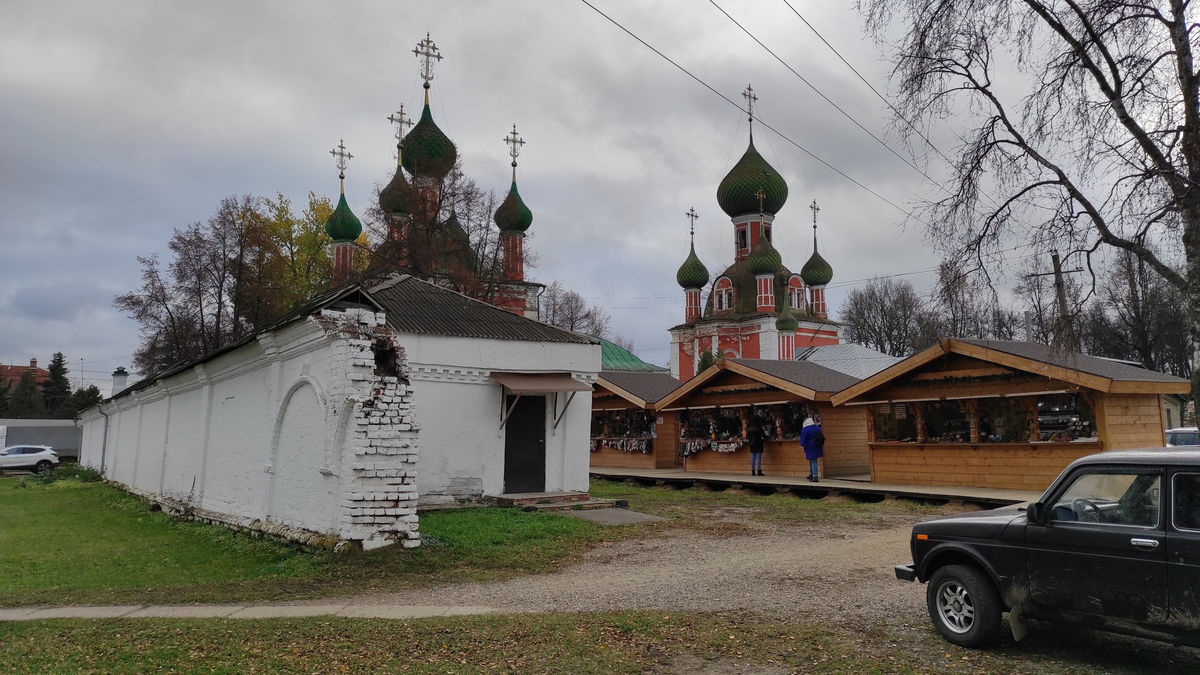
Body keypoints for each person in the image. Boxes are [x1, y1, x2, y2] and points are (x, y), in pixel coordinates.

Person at [800, 415, 825, 482]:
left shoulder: (805, 429)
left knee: (813, 461)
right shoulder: (817, 427)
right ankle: (811, 474)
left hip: (810, 446)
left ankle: (815, 476)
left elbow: (803, 438)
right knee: (812, 460)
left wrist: (802, 445)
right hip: (817, 445)